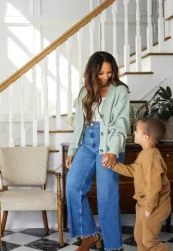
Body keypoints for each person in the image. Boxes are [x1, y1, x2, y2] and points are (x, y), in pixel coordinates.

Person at [65, 51, 130, 251]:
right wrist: (72, 150)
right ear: (93, 72)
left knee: (106, 196)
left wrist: (112, 150)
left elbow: (121, 122)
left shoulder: (120, 91)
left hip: (109, 143)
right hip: (87, 142)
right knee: (73, 187)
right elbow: (79, 124)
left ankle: (113, 246)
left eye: (109, 73)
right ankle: (90, 235)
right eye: (101, 73)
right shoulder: (85, 91)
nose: (105, 77)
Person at [105, 118, 171, 251]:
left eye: (136, 130)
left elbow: (154, 185)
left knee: (149, 241)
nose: (134, 132)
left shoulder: (152, 157)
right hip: (142, 204)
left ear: (147, 137)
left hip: (154, 206)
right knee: (140, 238)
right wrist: (114, 165)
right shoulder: (144, 154)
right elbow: (133, 170)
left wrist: (149, 207)